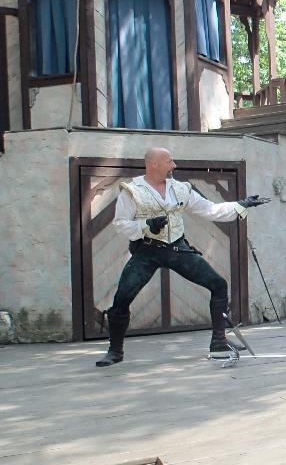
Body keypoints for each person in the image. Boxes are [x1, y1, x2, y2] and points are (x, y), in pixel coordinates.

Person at [95, 147, 270, 367]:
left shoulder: (179, 188)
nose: (174, 165)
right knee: (121, 299)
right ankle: (115, 351)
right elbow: (121, 224)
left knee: (218, 284)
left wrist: (240, 205)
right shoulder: (132, 191)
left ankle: (219, 341)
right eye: (169, 161)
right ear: (154, 164)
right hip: (147, 251)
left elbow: (209, 209)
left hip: (176, 249)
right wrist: (146, 226)